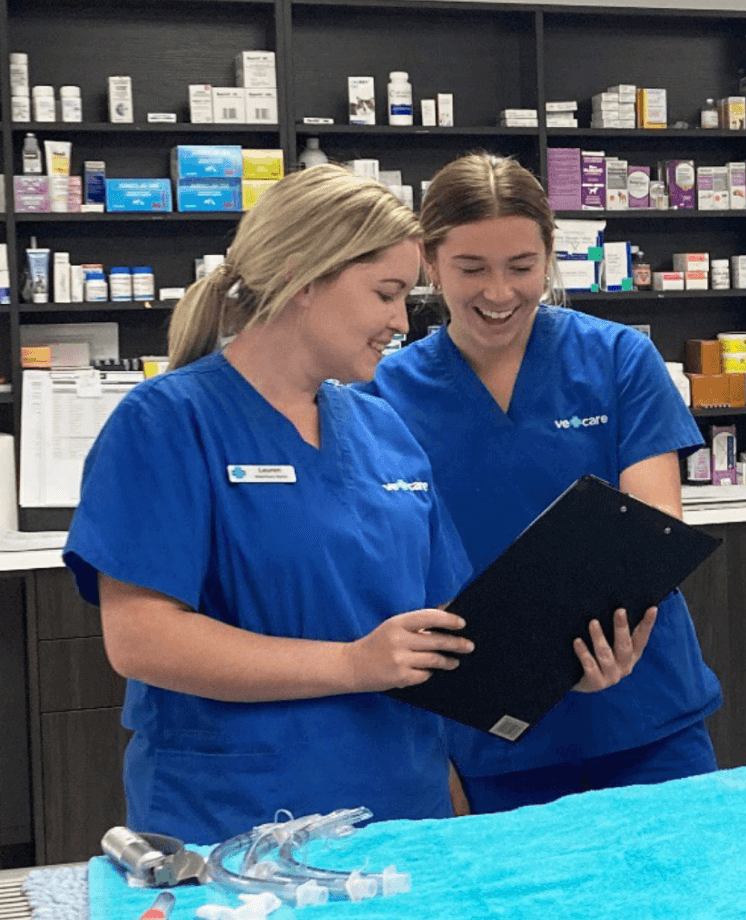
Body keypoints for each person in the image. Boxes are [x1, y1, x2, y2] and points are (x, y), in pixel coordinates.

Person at [61, 166, 644, 845]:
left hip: (402, 815)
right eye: (386, 294)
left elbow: (448, 630)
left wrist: (560, 668)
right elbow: (141, 639)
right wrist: (349, 664)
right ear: (305, 280)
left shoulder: (381, 430)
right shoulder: (167, 423)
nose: (401, 321)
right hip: (238, 823)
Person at [365, 152, 723, 812]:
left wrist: (587, 653)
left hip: (643, 715)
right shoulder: (384, 394)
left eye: (522, 266)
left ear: (550, 255)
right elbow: (388, 578)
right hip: (491, 741)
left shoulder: (618, 359)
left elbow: (652, 536)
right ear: (430, 262)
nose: (499, 293)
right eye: (472, 268)